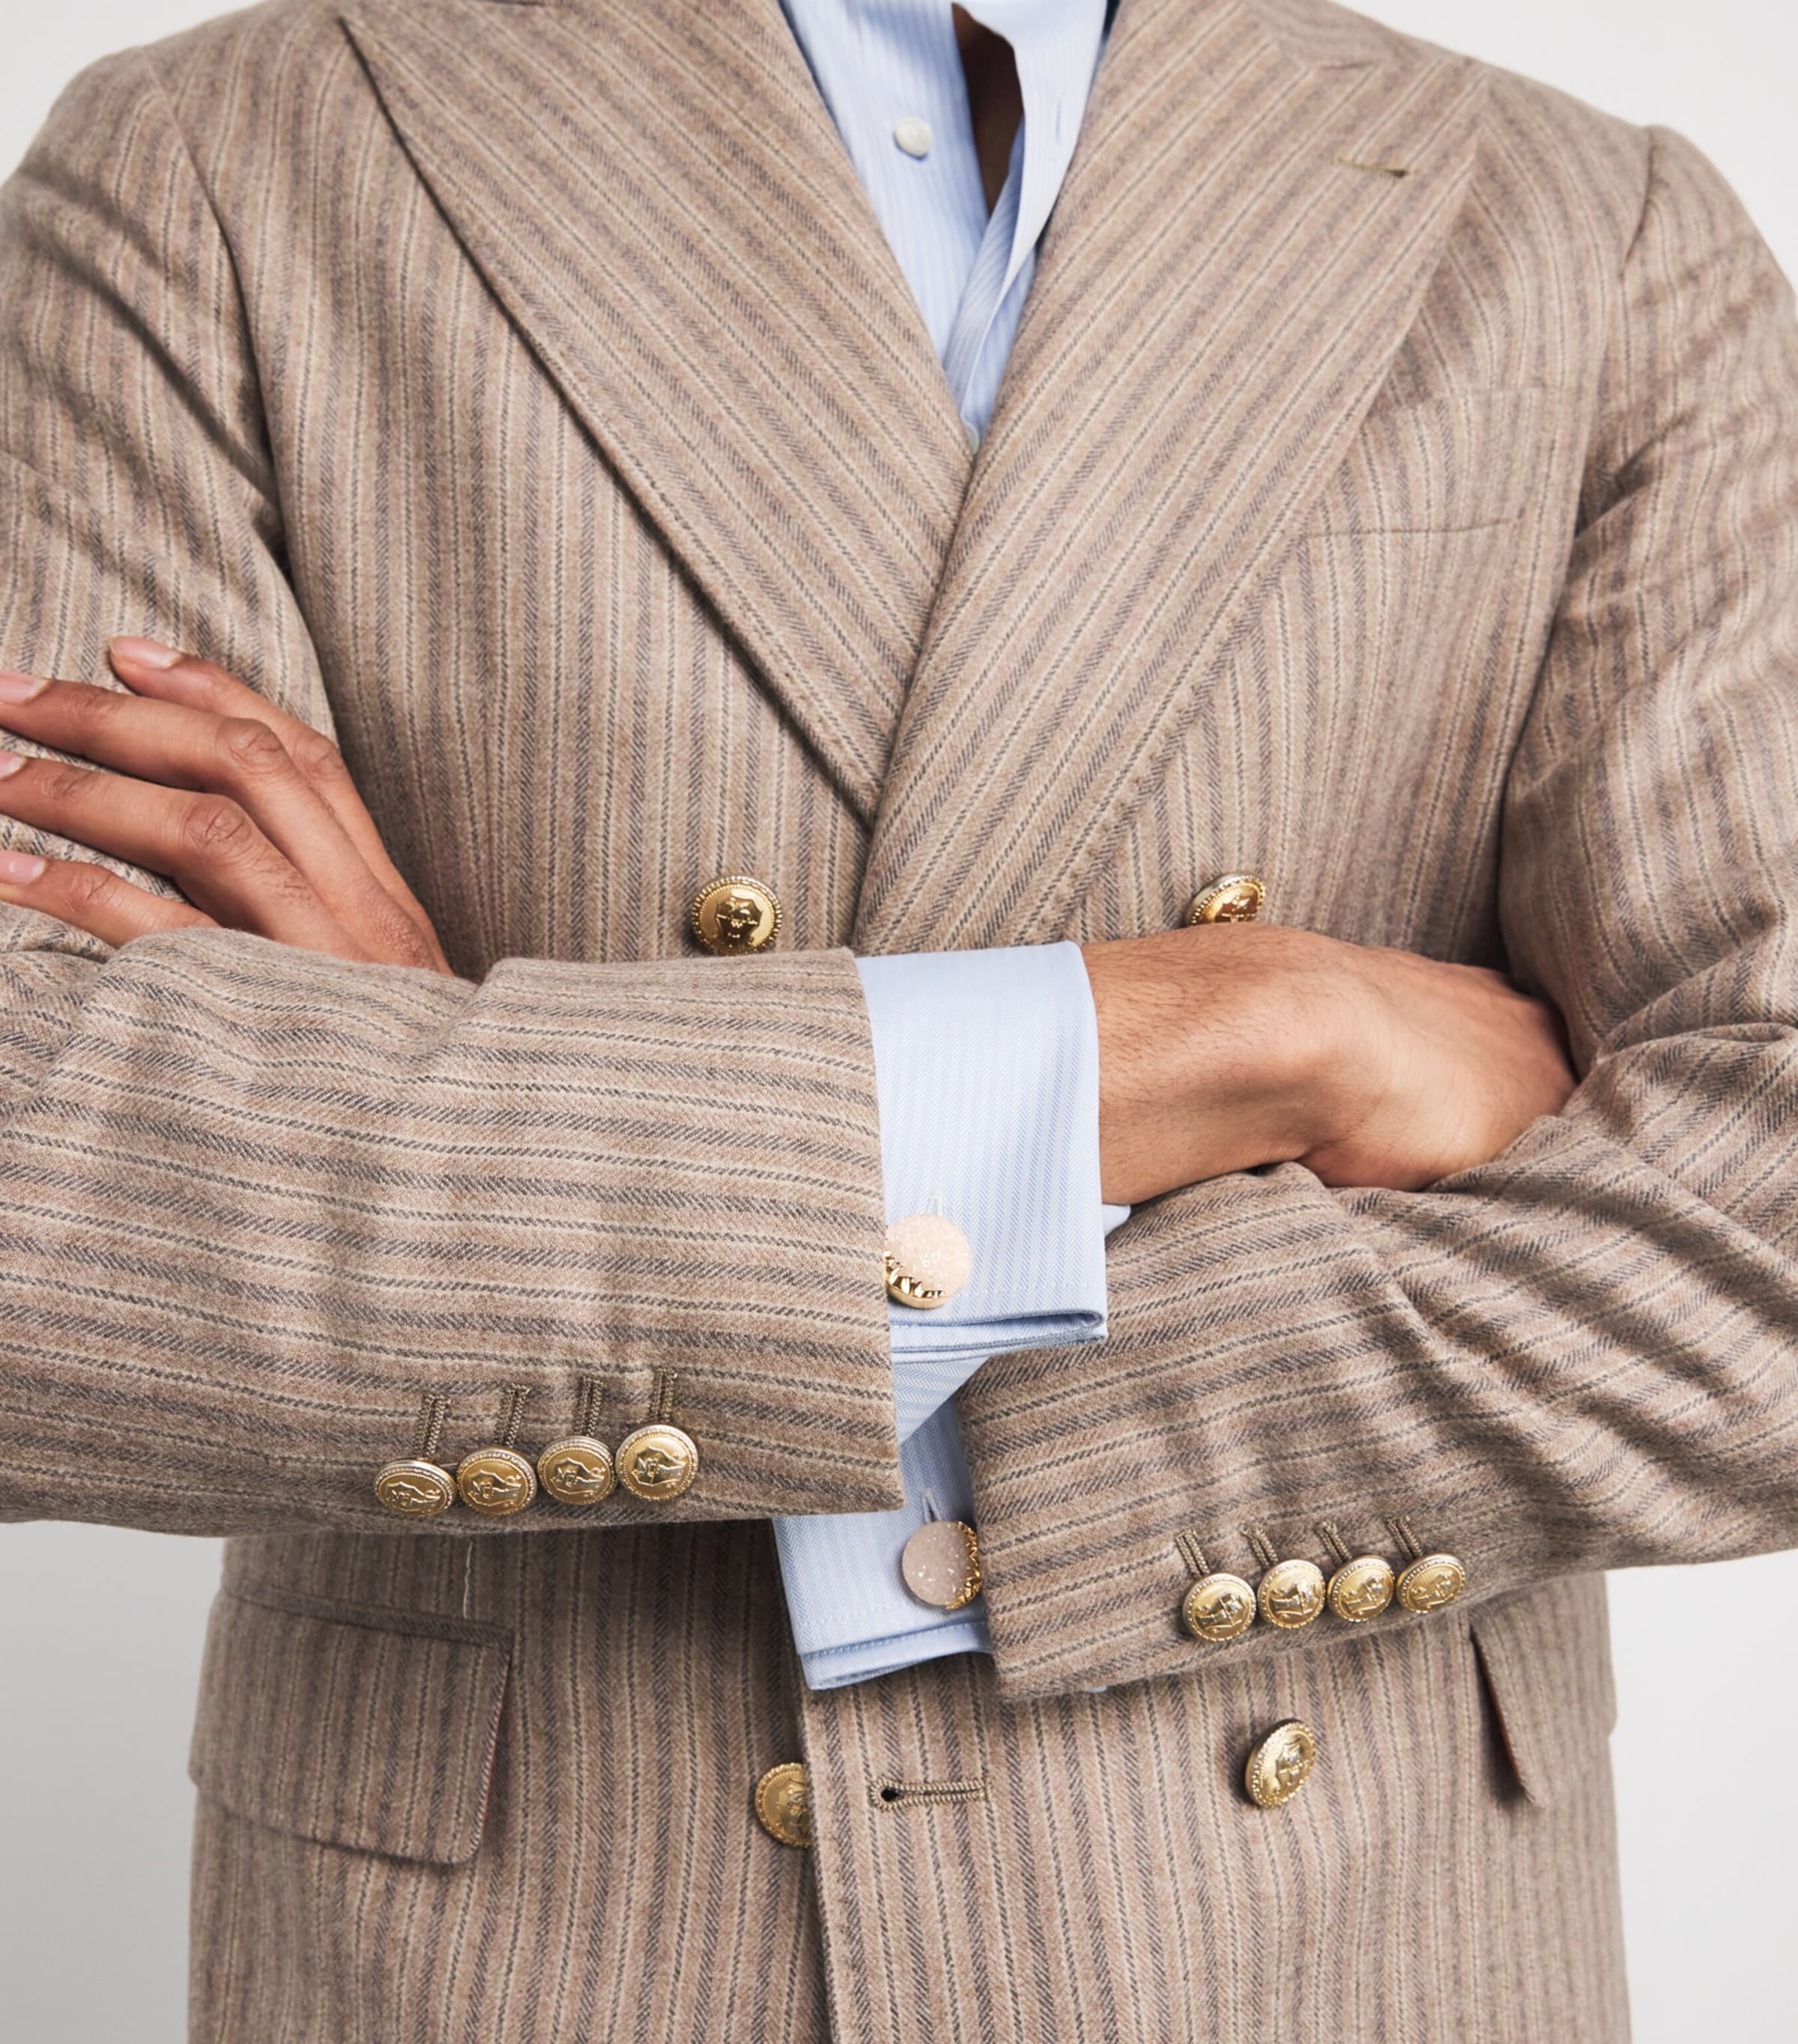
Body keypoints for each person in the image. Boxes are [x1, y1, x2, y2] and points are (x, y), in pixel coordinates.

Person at [0, 0, 1791, 2036]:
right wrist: (1238, 1030)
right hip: (536, 1956)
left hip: (1356, 1946)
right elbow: (43, 1223)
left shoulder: (1594, 228)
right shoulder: (216, 163)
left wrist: (457, 1113)